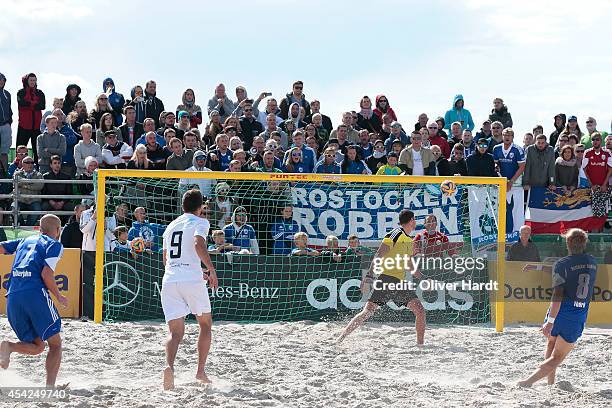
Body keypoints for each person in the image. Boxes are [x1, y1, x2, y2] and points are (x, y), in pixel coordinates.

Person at [518, 228, 596, 387]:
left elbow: (558, 290)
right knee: (557, 357)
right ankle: (528, 382)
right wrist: (538, 268)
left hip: (559, 312)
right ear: (585, 242)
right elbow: (567, 274)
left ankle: (550, 384)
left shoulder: (562, 264)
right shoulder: (592, 262)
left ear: (567, 243)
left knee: (551, 346)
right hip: (576, 315)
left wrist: (550, 320)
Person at [337, 210, 426, 345]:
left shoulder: (409, 240)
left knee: (419, 311)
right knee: (367, 312)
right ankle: (341, 338)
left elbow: (409, 265)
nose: (416, 222)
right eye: (414, 219)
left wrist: (423, 277)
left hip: (399, 282)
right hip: (386, 279)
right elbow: (379, 254)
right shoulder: (396, 234)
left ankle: (420, 345)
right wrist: (369, 276)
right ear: (411, 220)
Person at [0, 214, 66, 387]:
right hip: (35, 294)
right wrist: (58, 296)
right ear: (58, 230)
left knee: (38, 346)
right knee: (55, 345)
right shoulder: (54, 244)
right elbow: (46, 274)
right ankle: (49, 388)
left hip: (13, 296)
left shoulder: (25, 240)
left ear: (39, 227)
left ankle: (9, 346)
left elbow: (1, 248)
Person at [161, 189, 217, 390]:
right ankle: (200, 371)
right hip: (190, 280)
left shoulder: (171, 226)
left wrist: (195, 270)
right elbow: (198, 244)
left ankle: (169, 367)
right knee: (205, 324)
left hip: (170, 279)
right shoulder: (201, 222)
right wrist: (210, 269)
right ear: (201, 207)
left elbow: (166, 258)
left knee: (175, 333)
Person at [581, 132, 612, 230]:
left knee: (602, 213)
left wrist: (604, 185)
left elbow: (610, 169)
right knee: (590, 213)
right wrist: (591, 185)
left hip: (604, 187)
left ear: (601, 141)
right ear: (591, 141)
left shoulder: (607, 153)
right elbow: (584, 169)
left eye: (597, 139)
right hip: (591, 188)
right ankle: (590, 236)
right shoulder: (587, 152)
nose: (595, 141)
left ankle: (600, 236)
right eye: (593, 139)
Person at [16, 73, 45, 163]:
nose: (33, 82)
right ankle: (18, 167)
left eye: (34, 80)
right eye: (31, 80)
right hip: (24, 125)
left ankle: (36, 167)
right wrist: (34, 104)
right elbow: (22, 103)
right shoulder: (21, 92)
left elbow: (42, 106)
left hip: (36, 125)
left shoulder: (39, 93)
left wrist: (29, 104)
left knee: (37, 150)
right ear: (27, 81)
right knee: (20, 149)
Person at [13, 156, 43, 226]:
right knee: (13, 208)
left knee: (37, 210)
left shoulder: (38, 175)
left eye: (32, 163)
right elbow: (15, 184)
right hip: (20, 200)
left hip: (34, 200)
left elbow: (39, 186)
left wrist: (24, 185)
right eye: (27, 162)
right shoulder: (17, 174)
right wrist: (31, 183)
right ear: (23, 164)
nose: (30, 164)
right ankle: (22, 226)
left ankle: (28, 227)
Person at [41, 155, 74, 220]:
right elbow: (43, 192)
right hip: (49, 201)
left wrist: (62, 202)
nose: (57, 165)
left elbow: (69, 192)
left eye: (59, 163)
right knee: (44, 206)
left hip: (63, 202)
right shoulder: (45, 177)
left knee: (70, 207)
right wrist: (51, 202)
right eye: (55, 163)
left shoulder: (67, 177)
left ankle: (66, 225)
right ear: (51, 165)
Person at [0, 73, 13, 172]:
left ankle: (4, 173)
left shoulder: (7, 94)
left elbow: (9, 109)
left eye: (2, 80)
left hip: (5, 125)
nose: (1, 81)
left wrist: (9, 122)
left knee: (4, 152)